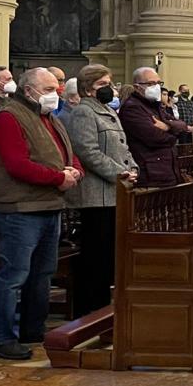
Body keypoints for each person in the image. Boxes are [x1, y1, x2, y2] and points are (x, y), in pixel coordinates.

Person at [0, 68, 81, 360]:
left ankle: (33, 329)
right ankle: (1, 338)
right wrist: (58, 178)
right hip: (20, 208)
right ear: (28, 90)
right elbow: (17, 164)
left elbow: (68, 153)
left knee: (42, 274)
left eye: (57, 88)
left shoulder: (48, 117)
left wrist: (75, 171)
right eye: (49, 89)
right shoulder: (8, 117)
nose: (56, 94)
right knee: (14, 275)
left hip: (49, 205)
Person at [62, 65, 137, 317]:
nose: (109, 88)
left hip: (115, 191)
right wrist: (119, 173)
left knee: (108, 257)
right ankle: (89, 312)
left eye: (110, 83)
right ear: (87, 88)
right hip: (96, 195)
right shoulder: (84, 112)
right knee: (96, 256)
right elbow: (88, 151)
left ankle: (103, 309)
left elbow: (122, 146)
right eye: (103, 84)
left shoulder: (108, 110)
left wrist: (132, 168)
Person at [118, 66, 188, 188]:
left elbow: (182, 125)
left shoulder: (155, 105)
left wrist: (167, 127)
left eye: (158, 83)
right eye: (150, 83)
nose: (156, 87)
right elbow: (155, 137)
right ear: (137, 87)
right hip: (150, 174)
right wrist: (174, 135)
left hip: (167, 170)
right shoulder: (132, 107)